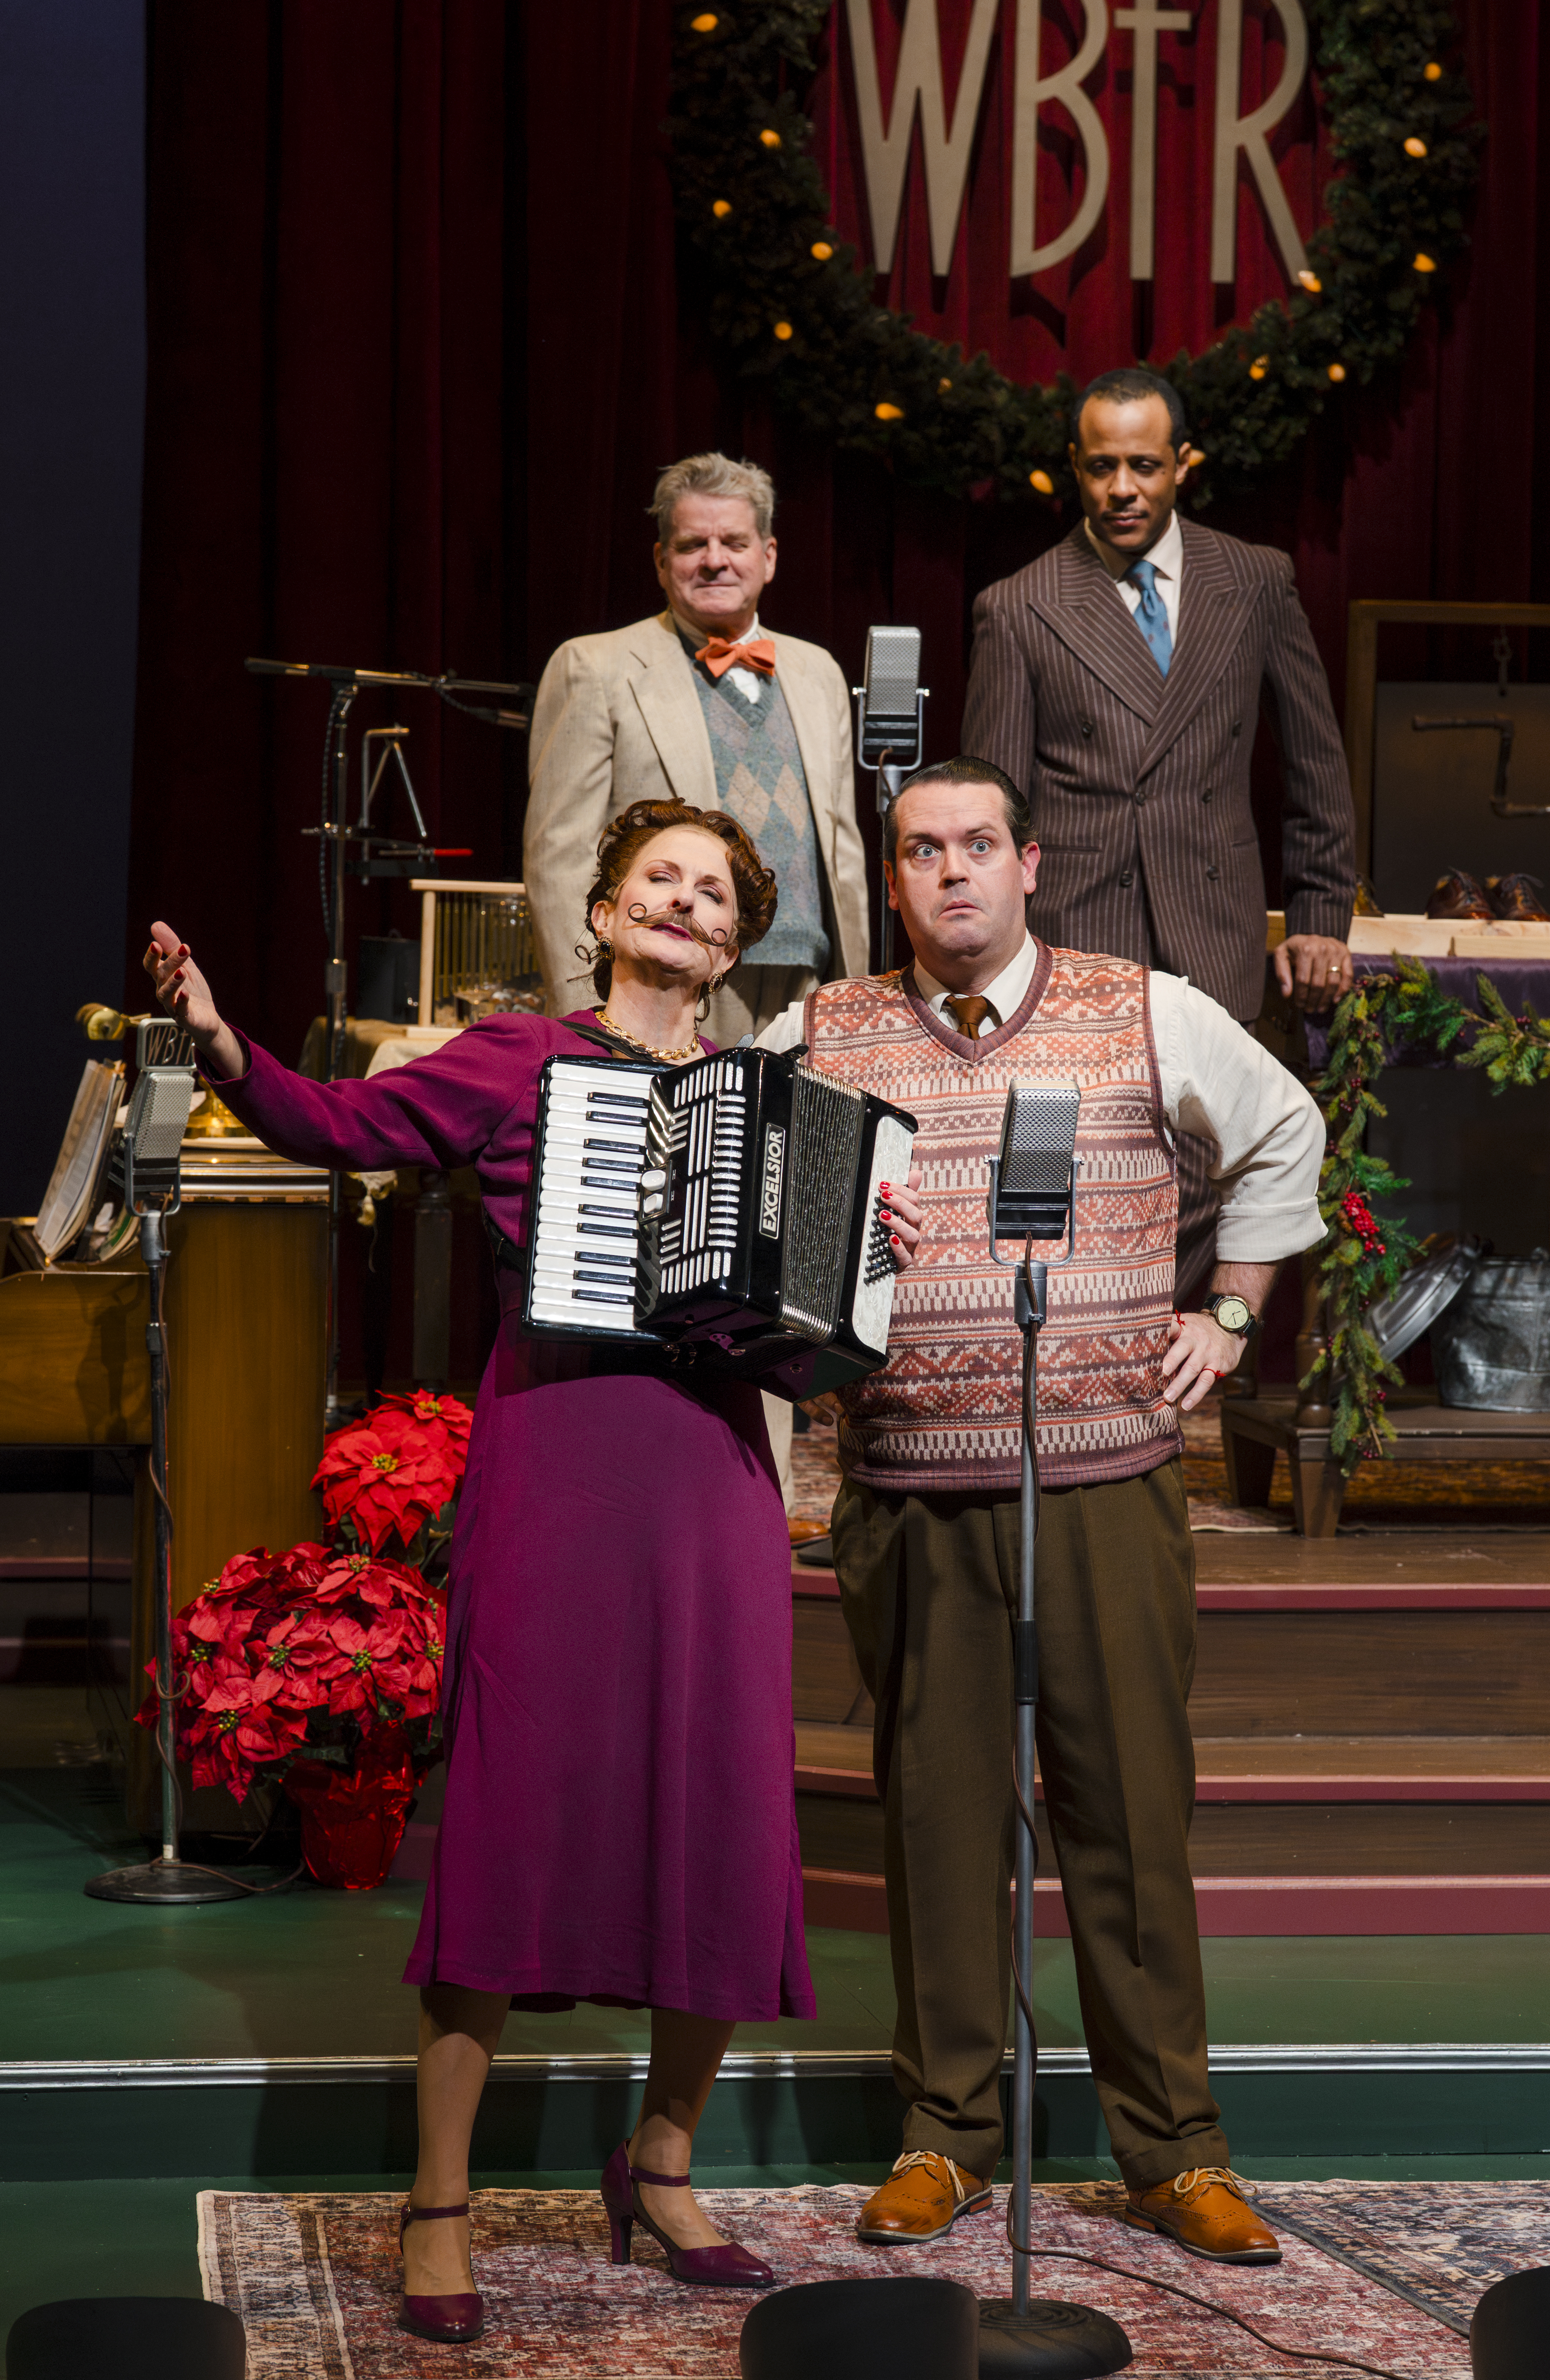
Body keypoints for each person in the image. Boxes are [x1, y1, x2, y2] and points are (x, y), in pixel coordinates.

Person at [144, 799, 921, 2344]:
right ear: (606, 910)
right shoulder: (519, 1058)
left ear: (734, 938)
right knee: (519, 1807)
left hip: (710, 1475)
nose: (685, 903)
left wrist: (866, 1258)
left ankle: (664, 2161)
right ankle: (439, 2197)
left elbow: (821, 1336)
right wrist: (226, 1045)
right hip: (561, 1458)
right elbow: (344, 1128)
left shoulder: (778, 1104)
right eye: (659, 880)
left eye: (713, 891)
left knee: (715, 1808)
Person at [758, 756, 1326, 2265]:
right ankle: (943, 2135)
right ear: (891, 879)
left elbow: (1285, 1130)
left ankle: (1175, 2147)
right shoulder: (819, 1034)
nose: (951, 871)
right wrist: (820, 1267)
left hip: (1101, 1480)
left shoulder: (1143, 1010)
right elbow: (753, 1221)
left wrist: (1229, 1309)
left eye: (976, 845)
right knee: (939, 1817)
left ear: (1028, 865)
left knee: (1127, 1816)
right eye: (920, 850)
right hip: (910, 1485)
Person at [524, 450, 873, 1523]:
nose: (714, 559)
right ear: (662, 558)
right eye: (692, 544)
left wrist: (864, 994)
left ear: (769, 555)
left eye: (733, 542)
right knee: (682, 1247)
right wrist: (589, 1029)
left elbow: (843, 844)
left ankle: (765, 1493)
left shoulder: (816, 671)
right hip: (670, 995)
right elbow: (560, 857)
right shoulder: (597, 666)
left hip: (804, 986)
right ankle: (676, 1492)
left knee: (790, 1245)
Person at [961, 365, 1354, 1300]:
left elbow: (1316, 762)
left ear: (1184, 464)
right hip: (1073, 943)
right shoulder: (1019, 605)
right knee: (1063, 1191)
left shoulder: (1254, 579)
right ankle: (1069, 1376)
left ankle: (1170, 1375)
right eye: (1102, 467)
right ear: (1074, 469)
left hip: (1212, 931)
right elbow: (989, 815)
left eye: (1143, 465)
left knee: (1208, 1181)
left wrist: (1319, 916)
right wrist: (991, 967)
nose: (1123, 489)